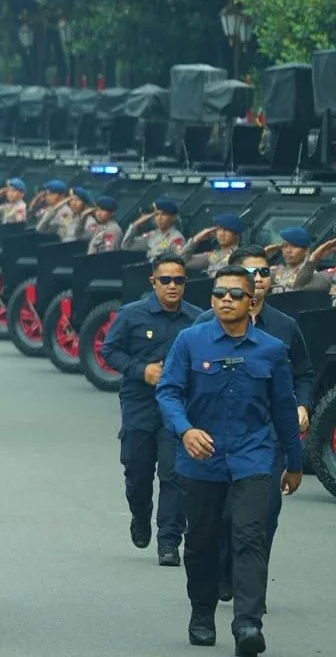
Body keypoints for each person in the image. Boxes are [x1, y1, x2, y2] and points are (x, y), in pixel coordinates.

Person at [156, 266, 302, 655]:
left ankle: (247, 624)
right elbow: (168, 392)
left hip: (253, 459)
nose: (226, 300)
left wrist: (295, 462)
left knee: (250, 539)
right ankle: (202, 613)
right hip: (200, 461)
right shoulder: (190, 341)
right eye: (219, 293)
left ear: (251, 300)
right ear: (211, 299)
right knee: (201, 542)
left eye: (235, 294)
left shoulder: (271, 349)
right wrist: (186, 430)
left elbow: (285, 409)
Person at [192, 245, 313, 605]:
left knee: (262, 516)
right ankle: (226, 571)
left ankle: (251, 592)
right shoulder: (201, 327)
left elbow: (303, 373)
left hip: (266, 438)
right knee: (224, 517)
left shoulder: (284, 327)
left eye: (264, 273)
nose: (259, 279)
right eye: (250, 274)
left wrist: (302, 405)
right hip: (216, 438)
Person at [101, 254, 203, 566]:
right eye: (166, 280)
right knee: (137, 470)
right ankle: (140, 514)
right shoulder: (133, 314)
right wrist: (141, 369)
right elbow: (109, 350)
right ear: (153, 282)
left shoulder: (197, 319)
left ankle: (169, 540)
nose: (173, 286)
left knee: (175, 474)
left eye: (179, 280)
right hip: (140, 403)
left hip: (179, 408)